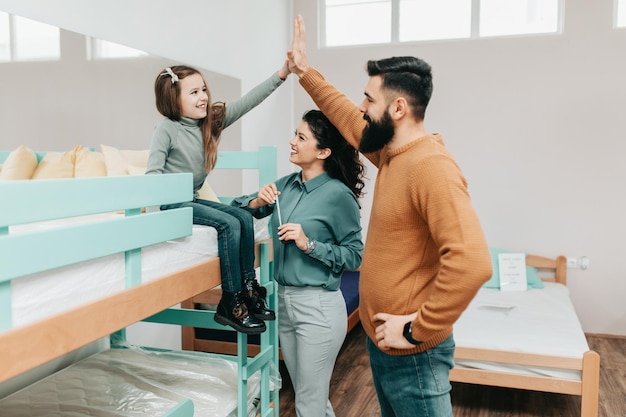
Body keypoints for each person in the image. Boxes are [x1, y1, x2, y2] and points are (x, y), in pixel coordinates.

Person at [286, 15, 493, 416]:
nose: (361, 107)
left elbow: (472, 262)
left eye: (369, 99)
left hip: (413, 354)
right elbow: (346, 118)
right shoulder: (392, 155)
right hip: (383, 343)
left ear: (397, 108)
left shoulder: (431, 167)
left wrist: (418, 330)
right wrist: (304, 72)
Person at [231, 109, 365, 417]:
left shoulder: (338, 195)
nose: (292, 142)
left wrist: (310, 245)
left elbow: (355, 254)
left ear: (323, 151)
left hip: (317, 308)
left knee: (308, 402)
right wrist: (257, 201)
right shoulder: (286, 185)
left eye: (301, 137)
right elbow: (237, 209)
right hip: (285, 304)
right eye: (295, 133)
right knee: (312, 398)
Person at [145, 63, 291, 334]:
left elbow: (247, 102)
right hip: (173, 203)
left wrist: (282, 74)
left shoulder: (209, 122)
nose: (203, 97)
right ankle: (231, 301)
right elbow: (152, 174)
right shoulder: (166, 128)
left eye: (203, 90)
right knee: (228, 224)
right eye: (193, 92)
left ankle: (248, 291)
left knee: (243, 217)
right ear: (173, 98)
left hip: (191, 198)